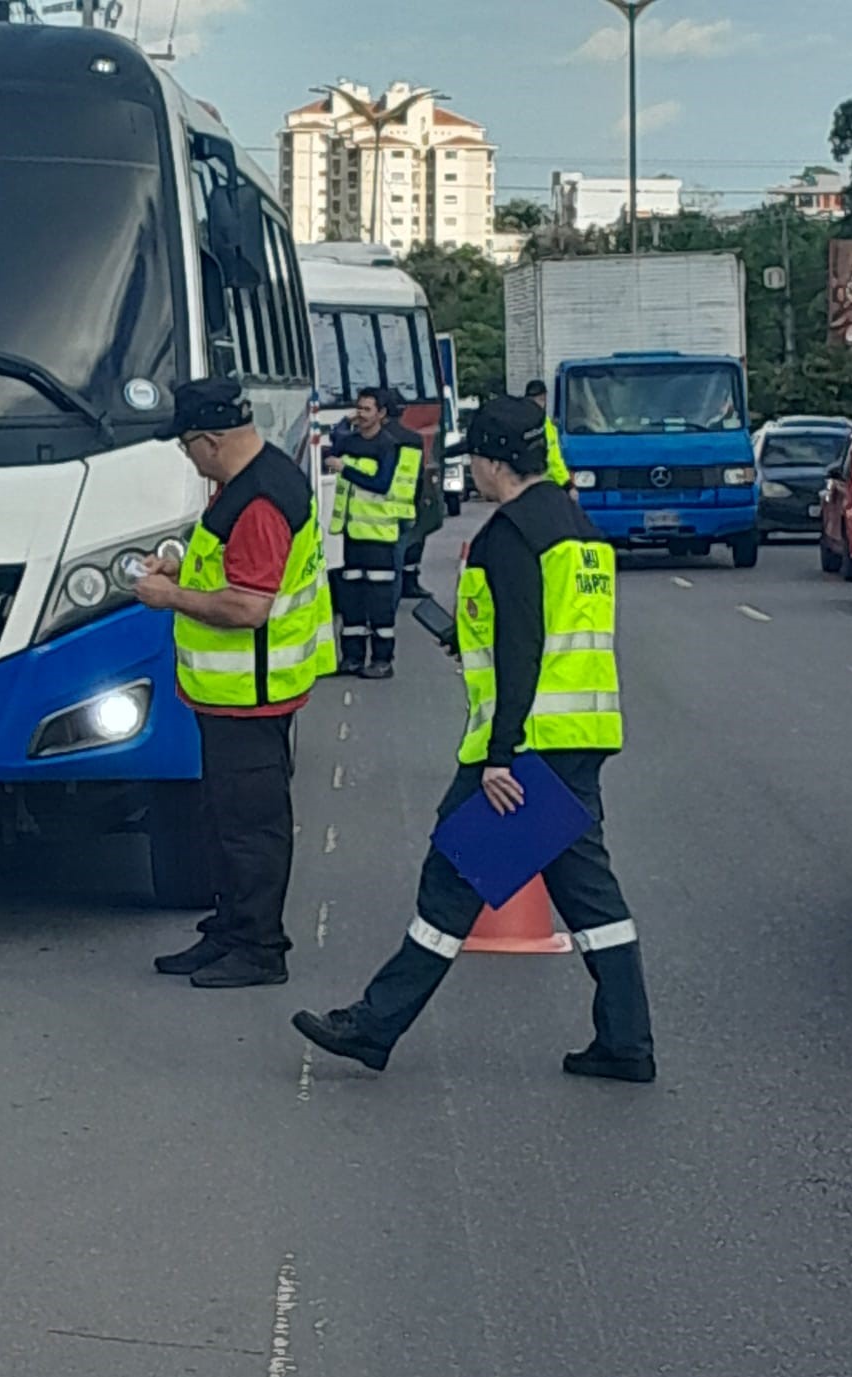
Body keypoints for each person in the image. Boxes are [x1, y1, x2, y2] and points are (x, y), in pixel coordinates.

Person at [292, 395, 656, 1083]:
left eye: (476, 462)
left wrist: (498, 757)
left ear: (492, 461)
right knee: (590, 899)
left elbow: (521, 650)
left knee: (451, 880)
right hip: (582, 733)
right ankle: (626, 1042)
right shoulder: (574, 524)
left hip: (526, 746)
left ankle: (374, 1026)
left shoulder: (510, 535)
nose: (475, 475)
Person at [135, 379, 336, 990]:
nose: (185, 456)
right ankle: (229, 930)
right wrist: (181, 567)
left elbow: (249, 606)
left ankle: (259, 947)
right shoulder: (247, 484)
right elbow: (228, 568)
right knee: (223, 819)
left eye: (185, 445)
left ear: (211, 439)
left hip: (253, 692)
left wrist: (170, 596)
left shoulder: (260, 502)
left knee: (252, 828)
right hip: (233, 693)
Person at [324, 387, 417, 680]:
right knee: (351, 600)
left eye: (367, 410)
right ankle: (351, 657)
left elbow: (381, 483)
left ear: (381, 414)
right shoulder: (349, 441)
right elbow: (333, 443)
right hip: (352, 535)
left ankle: (381, 660)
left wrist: (345, 469)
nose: (361, 415)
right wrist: (343, 424)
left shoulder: (387, 445)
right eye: (359, 409)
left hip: (380, 537)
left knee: (378, 602)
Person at [383, 389, 429, 603]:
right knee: (395, 566)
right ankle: (388, 615)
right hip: (402, 511)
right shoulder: (413, 439)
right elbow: (418, 479)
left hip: (369, 512)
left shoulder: (369, 439)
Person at [526, 379, 572, 491]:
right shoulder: (546, 426)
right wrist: (567, 484)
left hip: (523, 487)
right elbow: (553, 459)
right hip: (545, 486)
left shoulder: (516, 422)